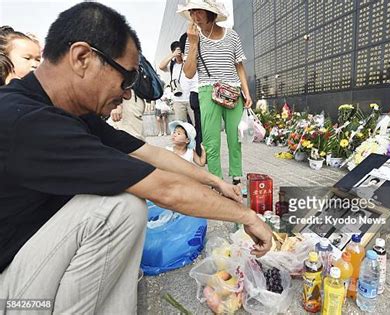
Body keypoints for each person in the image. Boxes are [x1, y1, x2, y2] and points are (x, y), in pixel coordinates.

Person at [0, 3, 272, 314]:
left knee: (123, 217)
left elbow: (149, 154)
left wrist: (214, 181)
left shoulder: (66, 112)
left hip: (29, 263)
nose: (129, 94)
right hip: (10, 292)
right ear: (82, 58)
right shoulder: (27, 121)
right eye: (127, 79)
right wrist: (249, 217)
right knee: (119, 208)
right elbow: (163, 188)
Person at [179, 0, 253, 188]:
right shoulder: (191, 38)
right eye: (192, 12)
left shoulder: (232, 35)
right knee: (211, 140)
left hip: (233, 91)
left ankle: (236, 178)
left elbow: (239, 66)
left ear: (210, 13)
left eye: (199, 12)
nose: (195, 16)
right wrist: (194, 43)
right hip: (207, 90)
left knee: (235, 137)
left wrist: (246, 92)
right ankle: (216, 182)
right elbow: (188, 73)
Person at [158, 40, 196, 125]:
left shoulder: (188, 63)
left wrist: (185, 58)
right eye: (177, 51)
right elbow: (161, 66)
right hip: (178, 100)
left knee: (197, 124)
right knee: (182, 126)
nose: (179, 53)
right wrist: (172, 55)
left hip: (191, 98)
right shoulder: (172, 66)